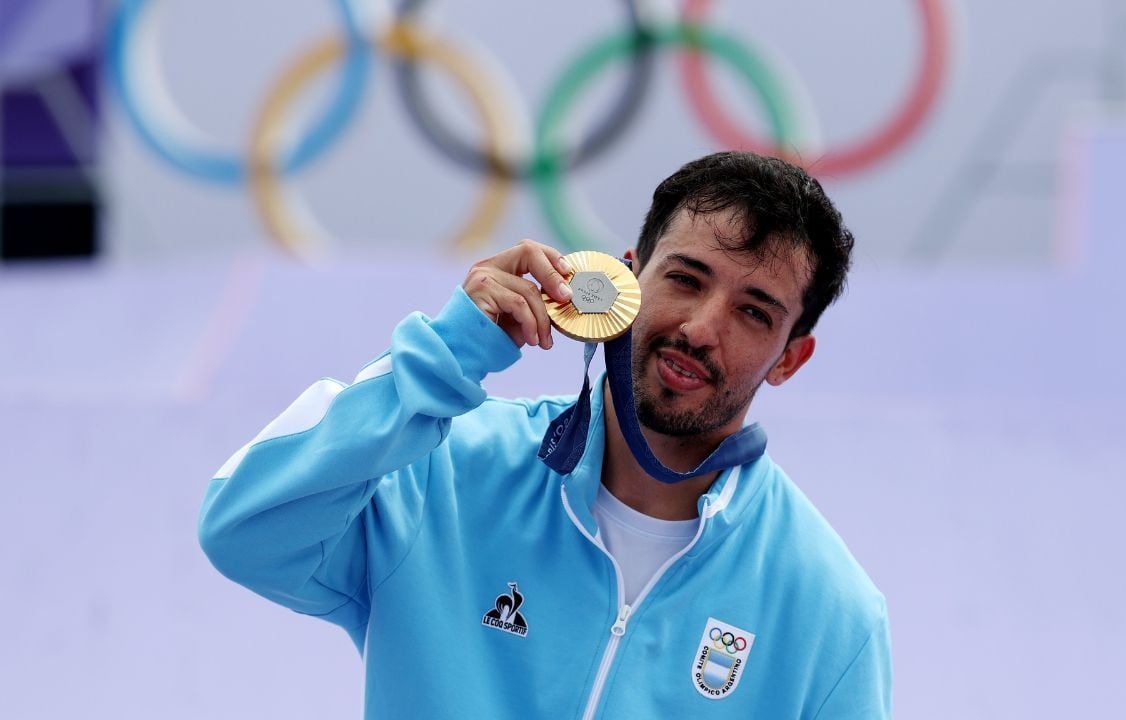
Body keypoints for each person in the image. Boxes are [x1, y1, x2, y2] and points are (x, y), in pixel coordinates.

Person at [199, 151, 891, 718]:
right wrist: (445, 357)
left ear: (790, 358)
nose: (702, 327)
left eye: (753, 312)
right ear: (625, 279)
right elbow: (242, 526)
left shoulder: (828, 610)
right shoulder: (445, 468)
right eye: (685, 277)